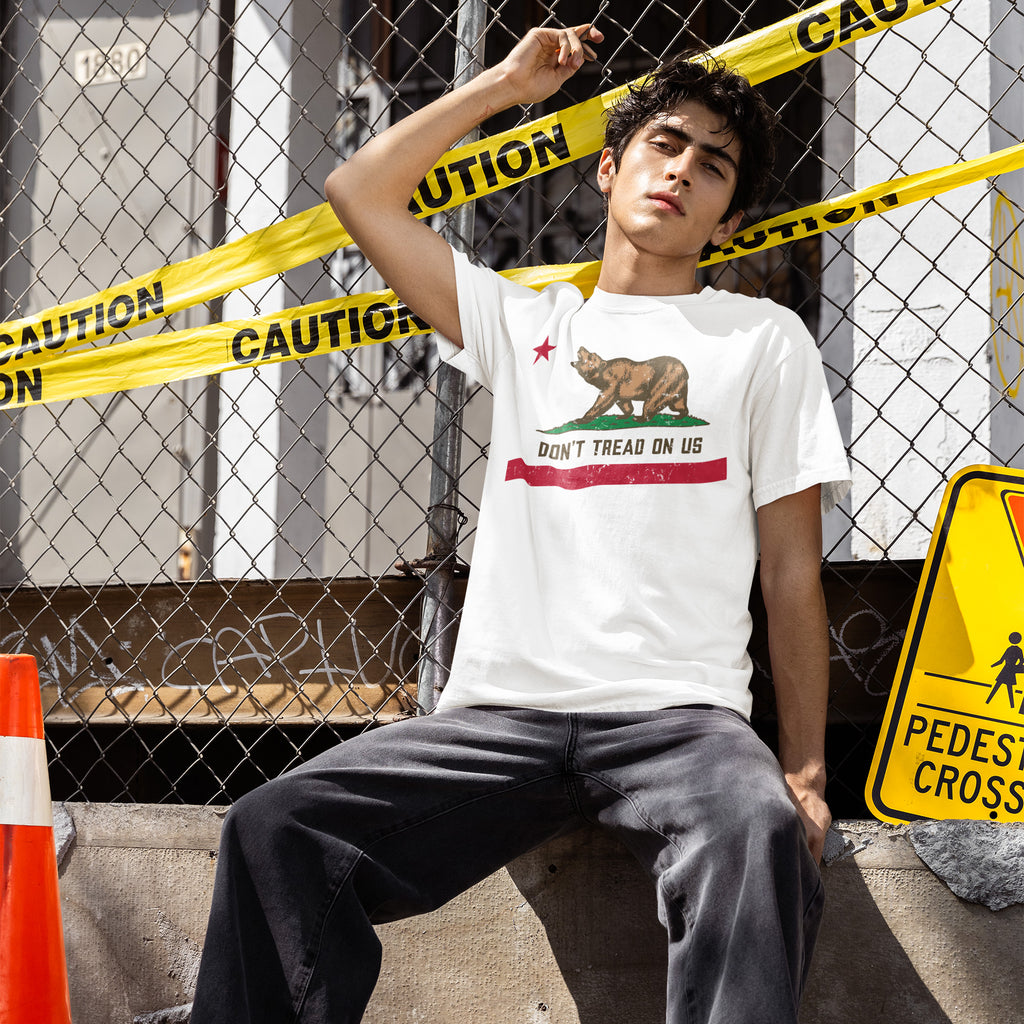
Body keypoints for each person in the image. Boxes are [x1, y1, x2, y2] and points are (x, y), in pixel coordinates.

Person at [191, 23, 851, 1024]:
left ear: (726, 222)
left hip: (679, 720)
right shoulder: (529, 324)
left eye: (712, 167)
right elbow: (359, 193)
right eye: (663, 143)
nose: (680, 171)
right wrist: (499, 86)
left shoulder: (761, 340)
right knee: (273, 825)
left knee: (756, 831)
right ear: (609, 165)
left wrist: (801, 767)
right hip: (501, 719)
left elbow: (791, 573)